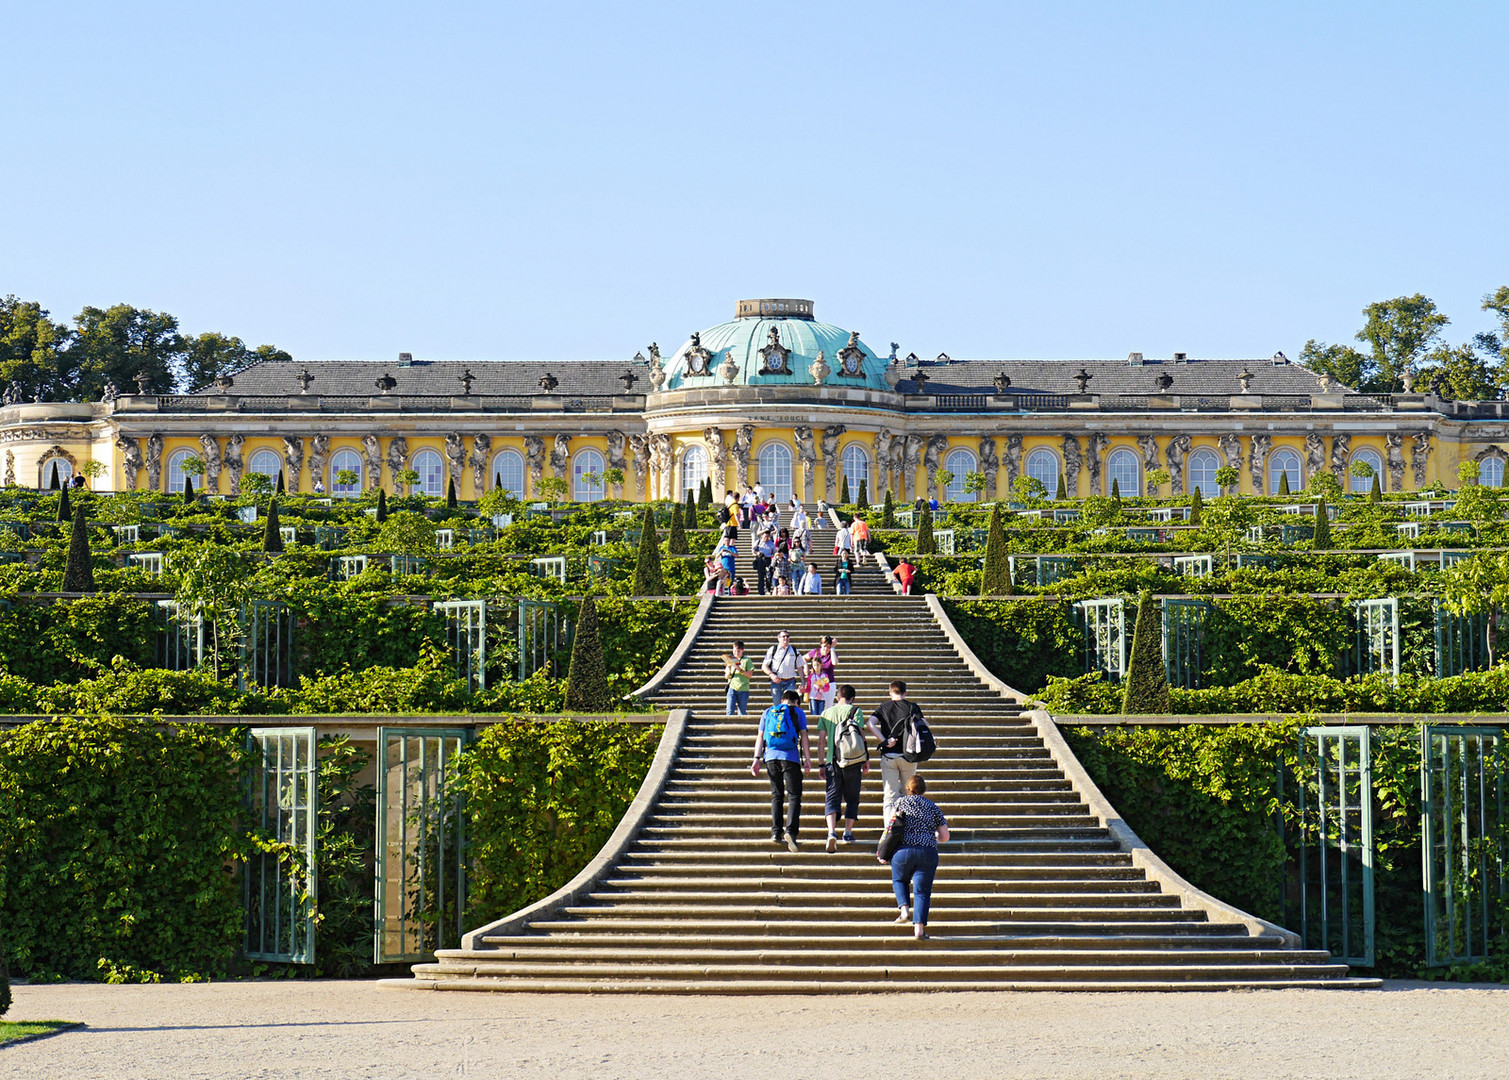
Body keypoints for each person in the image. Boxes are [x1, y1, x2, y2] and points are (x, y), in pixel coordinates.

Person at [882, 774, 949, 939]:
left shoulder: (900, 803)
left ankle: (904, 910)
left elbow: (890, 828)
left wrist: (883, 850)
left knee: (899, 879)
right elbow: (945, 836)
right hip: (927, 852)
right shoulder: (932, 807)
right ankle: (919, 930)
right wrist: (934, 838)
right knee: (922, 891)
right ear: (924, 789)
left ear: (908, 789)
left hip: (902, 851)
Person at [751, 688, 811, 851]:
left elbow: (760, 736)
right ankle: (791, 831)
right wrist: (807, 760)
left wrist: (756, 759)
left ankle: (776, 832)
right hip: (790, 758)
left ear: (782, 699)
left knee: (776, 795)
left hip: (770, 758)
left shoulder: (768, 712)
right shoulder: (798, 712)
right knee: (794, 796)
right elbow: (804, 736)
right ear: (796, 701)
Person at [817, 684, 870, 851]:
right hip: (853, 761)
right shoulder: (856, 711)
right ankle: (847, 832)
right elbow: (861, 735)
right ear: (852, 698)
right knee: (852, 797)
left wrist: (821, 764)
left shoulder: (827, 713)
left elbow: (821, 741)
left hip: (832, 761)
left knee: (832, 796)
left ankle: (832, 832)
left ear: (837, 696)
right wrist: (866, 759)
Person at [869, 679, 922, 823]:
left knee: (890, 795)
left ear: (890, 692)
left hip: (889, 755)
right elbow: (924, 725)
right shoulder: (912, 707)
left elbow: (870, 723)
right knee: (909, 792)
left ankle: (889, 828)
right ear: (905, 692)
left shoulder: (883, 707)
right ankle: (910, 825)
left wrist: (884, 740)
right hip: (908, 755)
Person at [761, 630, 801, 704]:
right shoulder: (773, 650)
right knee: (777, 705)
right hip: (777, 682)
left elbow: (800, 667)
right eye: (783, 636)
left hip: (790, 681)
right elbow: (764, 666)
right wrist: (771, 675)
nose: (786, 638)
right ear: (778, 638)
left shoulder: (794, 650)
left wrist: (803, 681)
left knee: (789, 704)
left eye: (787, 636)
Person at [753, 528, 776, 594]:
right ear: (762, 536)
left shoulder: (771, 543)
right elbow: (753, 550)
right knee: (760, 576)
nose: (766, 538)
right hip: (760, 559)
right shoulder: (758, 542)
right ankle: (761, 591)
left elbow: (774, 552)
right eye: (765, 536)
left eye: (767, 537)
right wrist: (757, 553)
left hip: (768, 560)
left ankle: (768, 590)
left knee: (768, 576)